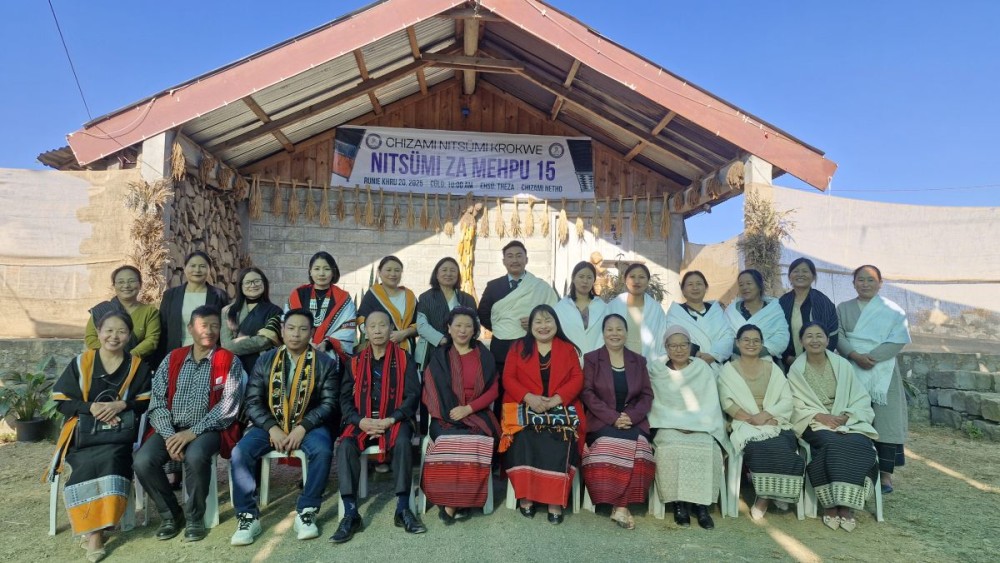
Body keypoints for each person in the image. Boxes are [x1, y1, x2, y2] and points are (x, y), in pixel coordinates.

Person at [134, 305, 244, 543]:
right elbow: (157, 402)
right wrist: (168, 435)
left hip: (209, 429)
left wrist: (191, 433)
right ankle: (171, 514)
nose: (210, 331)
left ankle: (195, 517)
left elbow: (228, 407)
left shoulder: (229, 361)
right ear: (191, 328)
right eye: (204, 325)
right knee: (143, 461)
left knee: (195, 456)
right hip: (170, 428)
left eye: (215, 326)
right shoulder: (173, 358)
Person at [48, 312, 152, 562]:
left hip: (118, 437)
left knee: (114, 460)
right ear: (99, 332)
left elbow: (145, 401)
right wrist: (91, 408)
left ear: (129, 336)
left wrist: (122, 405)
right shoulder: (81, 363)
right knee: (85, 464)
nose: (114, 336)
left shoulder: (137, 366)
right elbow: (62, 400)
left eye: (121, 331)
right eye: (109, 330)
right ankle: (95, 531)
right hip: (83, 437)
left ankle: (98, 530)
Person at [229, 309, 339, 546]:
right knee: (241, 452)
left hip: (310, 425)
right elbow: (253, 400)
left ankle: (307, 511)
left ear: (311, 333)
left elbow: (330, 403)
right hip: (270, 424)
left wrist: (303, 427)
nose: (296, 334)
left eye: (302, 329)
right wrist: (271, 427)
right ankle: (248, 516)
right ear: (282, 331)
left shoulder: (325, 363)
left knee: (322, 450)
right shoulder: (266, 359)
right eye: (291, 328)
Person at [331, 310, 424, 544]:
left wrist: (392, 419)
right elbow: (344, 399)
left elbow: (413, 396)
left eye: (383, 325)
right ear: (365, 331)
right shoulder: (355, 362)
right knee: (345, 445)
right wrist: (359, 421)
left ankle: (403, 508)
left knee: (403, 441)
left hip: (394, 419)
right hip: (362, 420)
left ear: (391, 328)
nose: (378, 330)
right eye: (372, 326)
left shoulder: (404, 358)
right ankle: (351, 513)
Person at [788, 322, 879, 532]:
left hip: (845, 419)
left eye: (819, 336)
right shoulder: (796, 370)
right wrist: (819, 415)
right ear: (801, 341)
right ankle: (830, 504)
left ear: (828, 340)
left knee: (860, 443)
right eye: (809, 336)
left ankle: (846, 505)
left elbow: (859, 396)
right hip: (814, 421)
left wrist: (847, 416)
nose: (814, 340)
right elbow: (793, 403)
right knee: (831, 444)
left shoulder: (842, 365)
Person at [499, 304, 585, 525]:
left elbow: (577, 378)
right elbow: (508, 377)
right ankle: (526, 496)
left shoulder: (567, 348)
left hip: (560, 407)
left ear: (556, 324)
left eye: (548, 321)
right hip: (525, 405)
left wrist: (556, 399)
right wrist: (529, 397)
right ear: (531, 326)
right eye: (538, 321)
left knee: (560, 437)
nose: (543, 326)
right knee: (524, 436)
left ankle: (554, 500)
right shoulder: (519, 347)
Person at [421, 307, 499, 524]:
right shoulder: (439, 356)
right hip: (444, 417)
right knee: (450, 441)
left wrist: (469, 409)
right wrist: (451, 412)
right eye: (458, 325)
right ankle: (461, 501)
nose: (463, 330)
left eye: (468, 326)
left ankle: (451, 504)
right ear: (449, 328)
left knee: (473, 442)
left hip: (477, 414)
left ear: (475, 330)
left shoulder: (484, 355)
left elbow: (493, 389)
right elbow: (431, 388)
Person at [836, 265, 911, 494]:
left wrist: (872, 357)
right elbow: (837, 334)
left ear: (880, 283)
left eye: (870, 280)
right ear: (854, 283)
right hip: (851, 368)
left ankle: (886, 475)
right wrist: (854, 355)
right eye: (860, 279)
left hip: (884, 372)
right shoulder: (843, 308)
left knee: (885, 422)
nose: (865, 284)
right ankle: (856, 469)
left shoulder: (893, 310)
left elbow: (899, 338)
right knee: (853, 417)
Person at [648, 325, 731, 530]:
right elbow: (656, 403)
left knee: (708, 449)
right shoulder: (656, 369)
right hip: (667, 425)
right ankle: (679, 504)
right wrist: (678, 424)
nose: (678, 349)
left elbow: (710, 403)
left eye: (683, 344)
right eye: (673, 345)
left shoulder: (702, 368)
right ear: (665, 347)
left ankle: (701, 506)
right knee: (671, 448)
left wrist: (696, 425)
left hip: (701, 426)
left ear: (690, 346)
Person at [718, 324, 804, 520]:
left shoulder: (772, 368)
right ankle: (766, 496)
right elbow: (727, 402)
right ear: (737, 343)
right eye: (746, 340)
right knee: (760, 446)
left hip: (774, 420)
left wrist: (766, 415)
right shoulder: (728, 370)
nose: (751, 344)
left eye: (756, 340)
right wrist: (752, 419)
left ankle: (769, 494)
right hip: (743, 422)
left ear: (762, 344)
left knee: (784, 442)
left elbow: (786, 399)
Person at [580, 314, 654, 530]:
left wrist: (630, 417)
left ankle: (620, 506)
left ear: (626, 333)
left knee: (641, 449)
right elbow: (588, 393)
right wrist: (613, 418)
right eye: (609, 329)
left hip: (633, 421)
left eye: (619, 329)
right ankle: (621, 506)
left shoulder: (638, 361)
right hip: (601, 421)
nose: (614, 333)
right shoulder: (592, 358)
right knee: (609, 446)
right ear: (603, 333)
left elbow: (647, 395)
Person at [477, 241, 558, 419]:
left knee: (532, 388)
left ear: (526, 259)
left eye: (519, 255)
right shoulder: (493, 286)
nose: (515, 260)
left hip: (532, 346)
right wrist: (503, 328)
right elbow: (483, 314)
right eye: (510, 256)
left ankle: (530, 431)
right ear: (504, 261)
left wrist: (535, 325)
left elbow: (554, 313)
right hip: (502, 348)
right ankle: (501, 434)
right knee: (503, 391)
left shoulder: (539, 287)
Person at [155, 251, 230, 368]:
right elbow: (163, 329)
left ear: (209, 270)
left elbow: (224, 329)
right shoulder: (170, 295)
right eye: (193, 266)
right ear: (185, 268)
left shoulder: (219, 295)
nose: (197, 270)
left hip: (209, 356)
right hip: (175, 355)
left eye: (202, 266)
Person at [286, 251, 357, 363]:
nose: (321, 273)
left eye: (326, 269)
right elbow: (287, 324)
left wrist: (326, 344)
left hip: (330, 357)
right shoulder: (298, 294)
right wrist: (306, 343)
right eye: (317, 269)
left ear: (333, 272)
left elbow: (347, 329)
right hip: (298, 353)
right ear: (310, 271)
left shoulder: (343, 298)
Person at [84, 265, 161, 360]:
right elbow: (91, 338)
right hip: (104, 362)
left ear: (140, 285)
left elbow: (152, 340)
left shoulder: (149, 312)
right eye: (121, 282)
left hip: (136, 364)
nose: (126, 286)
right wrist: (111, 354)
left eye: (131, 281)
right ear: (114, 286)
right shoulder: (101, 310)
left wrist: (128, 357)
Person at [665, 270, 735, 373]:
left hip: (718, 367)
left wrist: (713, 355)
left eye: (699, 284)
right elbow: (672, 337)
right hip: (688, 368)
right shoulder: (675, 313)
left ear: (705, 288)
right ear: (683, 290)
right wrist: (697, 354)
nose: (695, 288)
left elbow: (727, 336)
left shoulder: (716, 310)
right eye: (690, 284)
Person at [415, 257, 477, 370]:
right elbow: (422, 326)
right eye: (444, 270)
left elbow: (475, 326)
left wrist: (460, 340)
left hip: (462, 350)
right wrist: (443, 340)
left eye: (453, 271)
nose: (448, 273)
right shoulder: (426, 297)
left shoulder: (468, 299)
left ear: (458, 275)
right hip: (433, 349)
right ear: (437, 274)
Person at [221, 267, 283, 376]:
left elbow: (265, 340)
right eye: (248, 282)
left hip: (263, 367)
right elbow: (225, 345)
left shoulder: (275, 311)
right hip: (234, 368)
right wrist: (252, 340)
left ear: (264, 283)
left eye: (257, 281)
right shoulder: (228, 311)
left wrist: (234, 344)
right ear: (241, 286)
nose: (253, 285)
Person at [779, 258, 838, 368]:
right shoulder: (782, 302)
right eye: (796, 271)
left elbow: (833, 333)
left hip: (819, 363)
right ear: (789, 276)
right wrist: (787, 357)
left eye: (805, 271)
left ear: (813, 276)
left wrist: (819, 358)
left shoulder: (823, 301)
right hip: (789, 363)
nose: (800, 274)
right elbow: (776, 333)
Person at [724, 269, 789, 363]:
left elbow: (782, 336)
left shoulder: (774, 309)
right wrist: (743, 350)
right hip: (736, 363)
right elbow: (724, 336)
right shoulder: (731, 310)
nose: (745, 287)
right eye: (741, 285)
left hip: (767, 362)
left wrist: (758, 351)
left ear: (759, 286)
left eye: (749, 283)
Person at [607, 263, 669, 361]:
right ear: (625, 280)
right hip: (617, 361)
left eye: (641, 277)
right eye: (632, 277)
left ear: (648, 281)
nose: (636, 281)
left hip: (648, 363)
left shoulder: (656, 309)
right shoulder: (613, 306)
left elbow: (663, 337)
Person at [358, 255, 419, 354]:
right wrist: (380, 336)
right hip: (379, 351)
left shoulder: (410, 296)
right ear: (379, 272)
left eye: (397, 270)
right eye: (388, 270)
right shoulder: (373, 295)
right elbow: (362, 320)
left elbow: (420, 324)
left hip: (408, 351)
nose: (393, 274)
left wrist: (404, 333)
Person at [554, 261, 608, 356]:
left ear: (594, 280)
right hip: (569, 359)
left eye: (589, 277)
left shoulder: (603, 307)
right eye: (581, 276)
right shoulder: (561, 307)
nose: (585, 281)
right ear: (573, 279)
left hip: (597, 361)